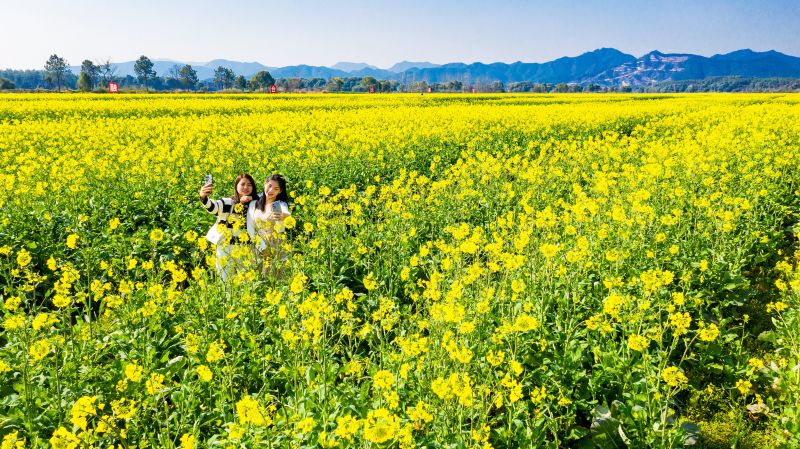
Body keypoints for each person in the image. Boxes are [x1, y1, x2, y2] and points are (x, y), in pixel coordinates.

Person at [199, 173, 259, 281]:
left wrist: (251, 198)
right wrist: (203, 197)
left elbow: (268, 197)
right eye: (243, 184)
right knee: (225, 280)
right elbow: (213, 207)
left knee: (246, 281)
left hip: (246, 248)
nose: (246, 187)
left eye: (249, 185)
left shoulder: (255, 205)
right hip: (225, 247)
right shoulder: (228, 202)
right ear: (236, 186)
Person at [252, 174, 291, 276]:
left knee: (274, 277)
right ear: (265, 184)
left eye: (276, 188)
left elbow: (285, 212)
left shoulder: (278, 204)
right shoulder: (257, 201)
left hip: (274, 246)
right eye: (269, 186)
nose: (271, 190)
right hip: (258, 244)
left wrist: (284, 216)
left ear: (280, 191)